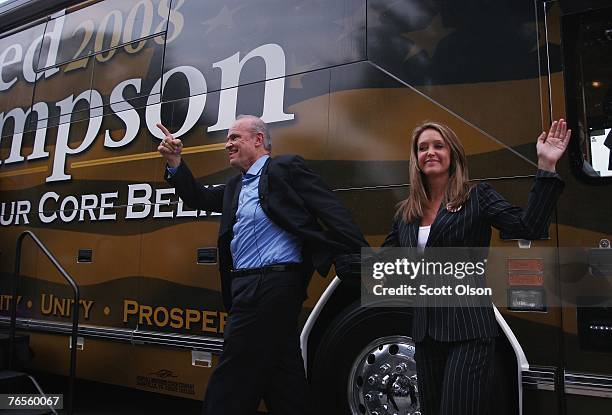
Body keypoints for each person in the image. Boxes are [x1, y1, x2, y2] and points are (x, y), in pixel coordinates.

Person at [156, 115, 368, 415]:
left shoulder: (284, 168)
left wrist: (365, 262)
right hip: (245, 287)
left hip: (272, 284)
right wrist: (175, 161)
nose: (227, 144)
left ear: (258, 140)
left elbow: (331, 211)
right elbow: (197, 197)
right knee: (284, 381)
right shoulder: (234, 188)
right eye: (228, 139)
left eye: (234, 138)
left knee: (231, 379)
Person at [382, 119, 570, 414]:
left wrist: (546, 167)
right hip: (425, 333)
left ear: (453, 154)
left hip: (468, 331)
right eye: (422, 148)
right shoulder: (406, 213)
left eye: (438, 145)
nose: (430, 152)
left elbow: (528, 226)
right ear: (415, 159)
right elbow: (384, 265)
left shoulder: (477, 197)